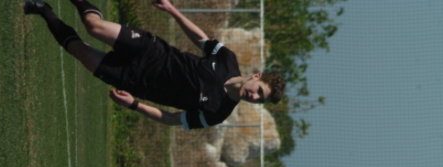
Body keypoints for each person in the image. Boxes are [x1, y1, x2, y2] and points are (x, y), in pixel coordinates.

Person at [24, 0, 285, 130]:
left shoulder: (218, 113)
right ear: (256, 76)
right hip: (151, 51)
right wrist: (171, 9)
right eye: (259, 91)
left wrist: (134, 105)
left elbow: (172, 119)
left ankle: (44, 10)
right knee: (93, 26)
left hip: (134, 80)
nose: (254, 97)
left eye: (259, 100)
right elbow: (200, 39)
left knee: (78, 51)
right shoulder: (228, 60)